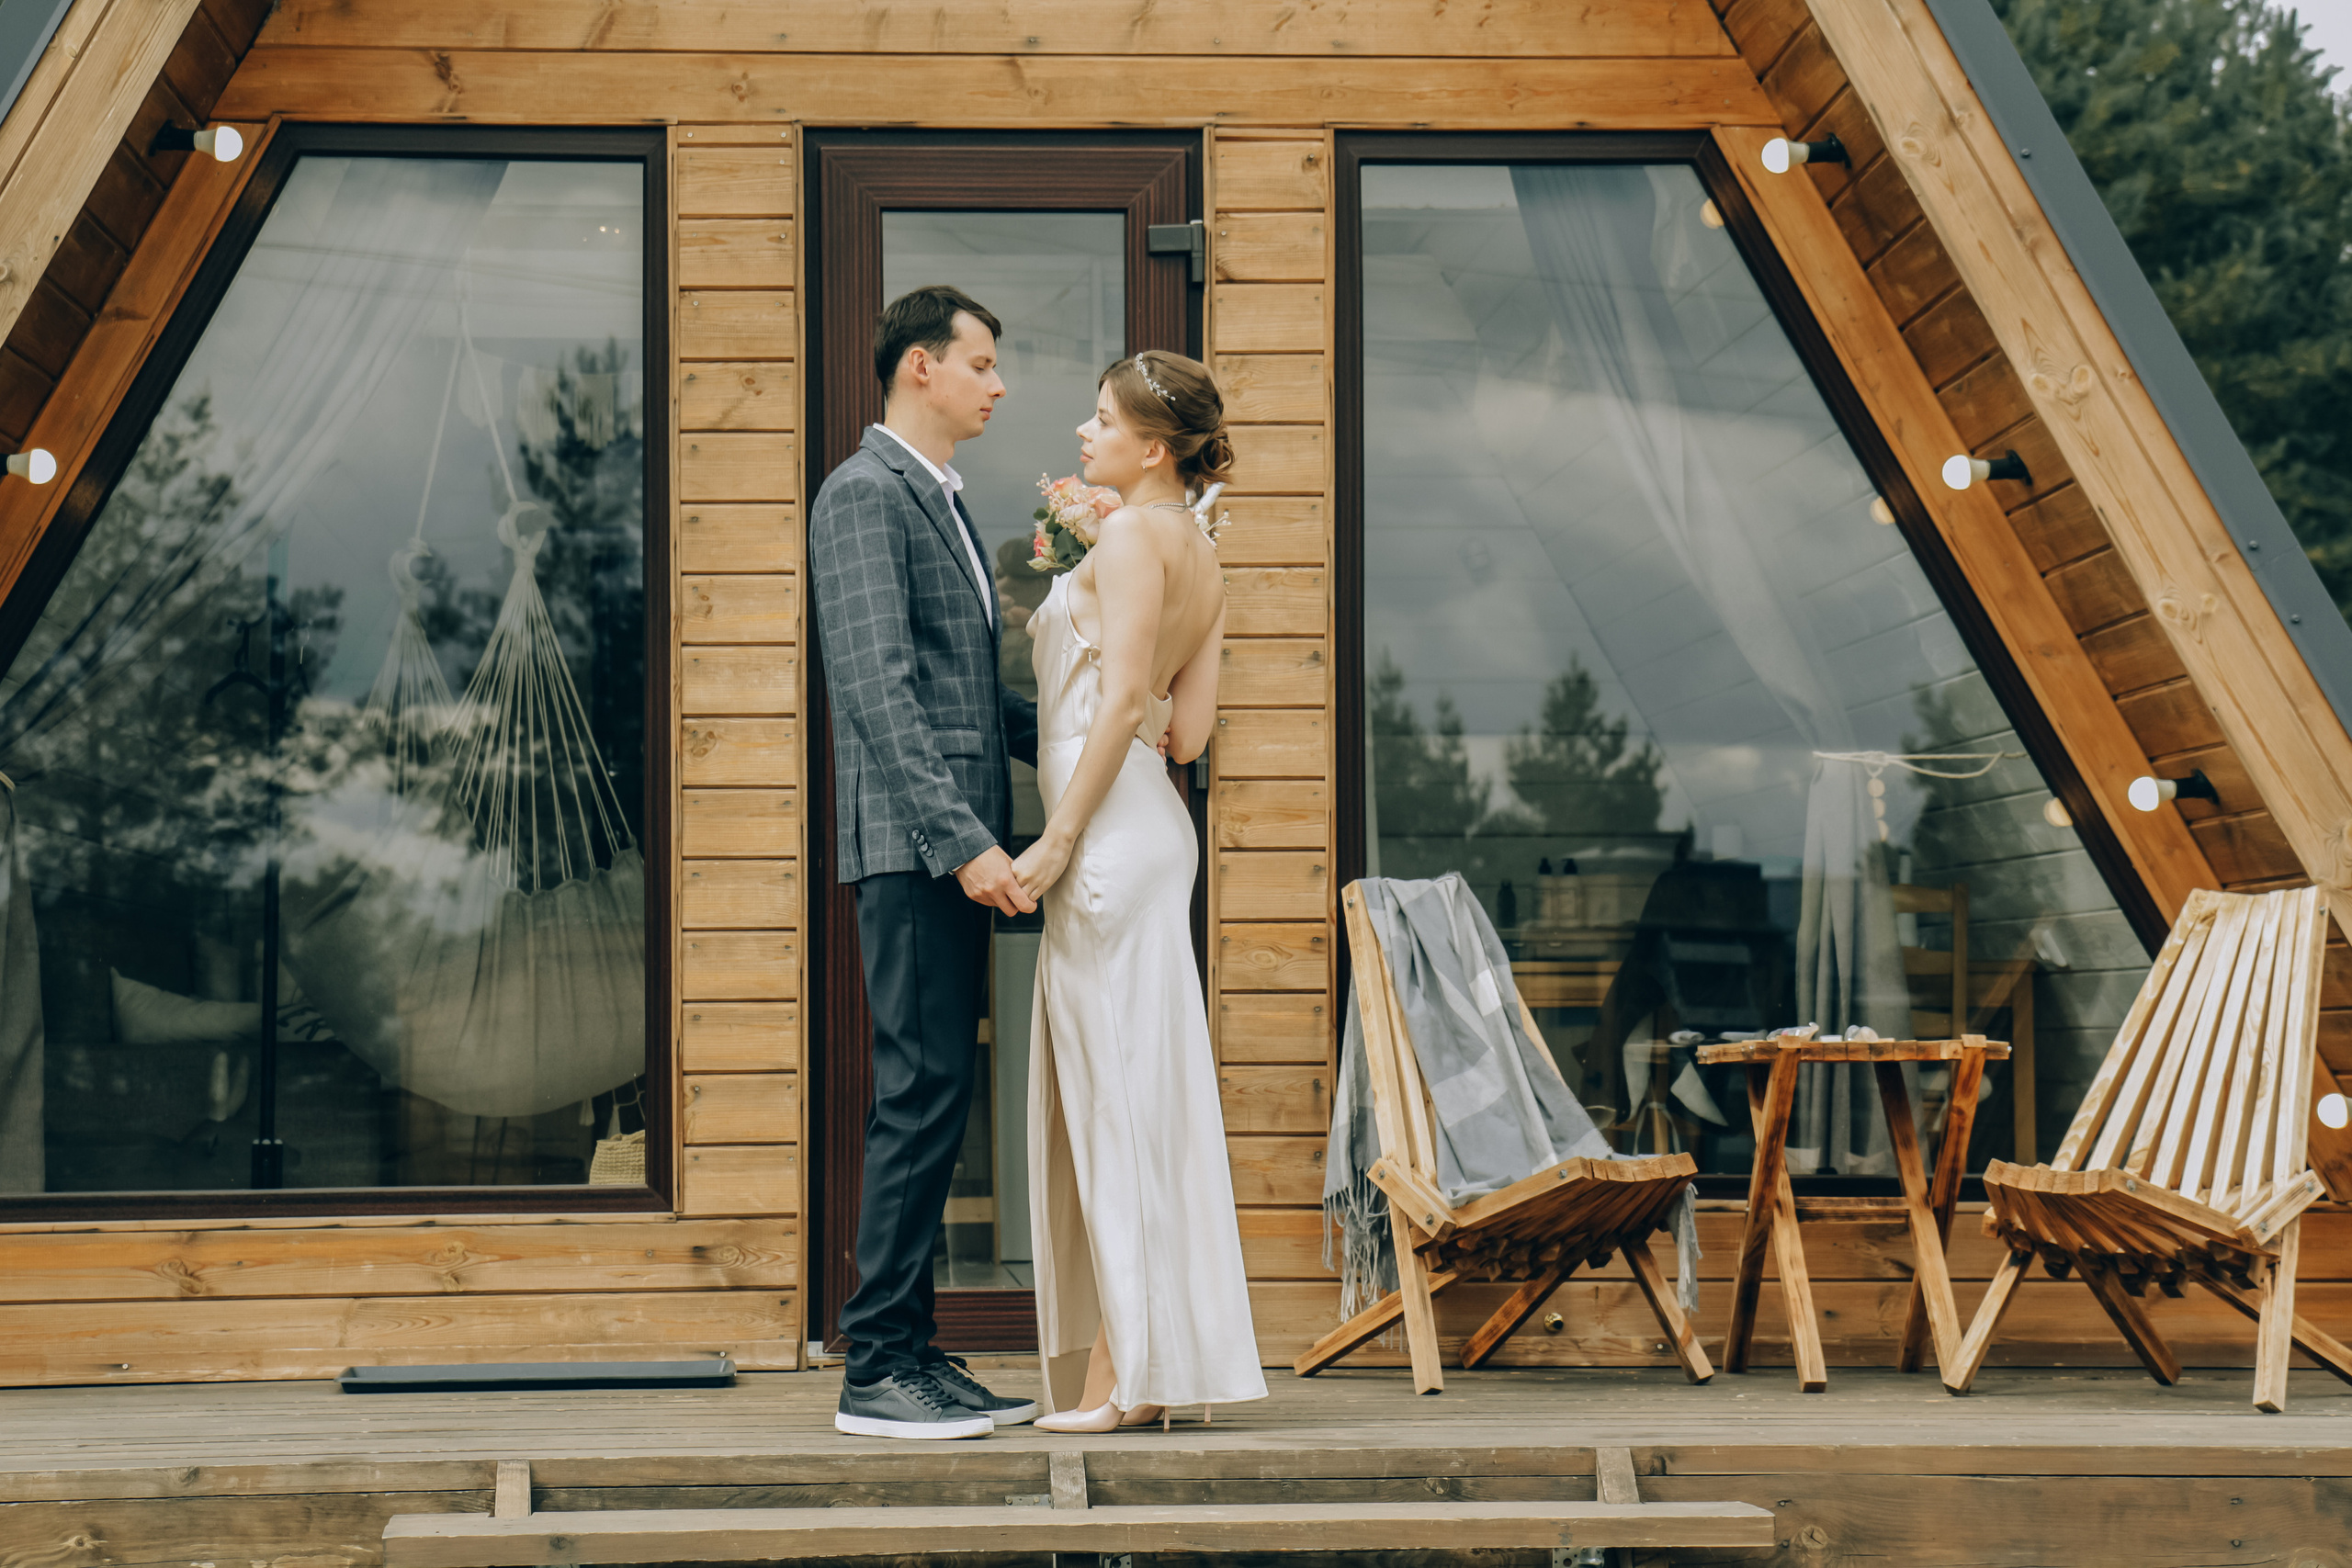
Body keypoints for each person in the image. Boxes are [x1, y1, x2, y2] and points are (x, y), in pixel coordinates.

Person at [1017, 350, 1269, 1432]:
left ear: (1151, 448)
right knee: (1147, 1099)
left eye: (1101, 420)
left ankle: (1127, 1377)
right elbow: (1191, 731)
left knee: (1116, 1103)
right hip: (1153, 825)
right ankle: (1162, 1363)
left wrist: (1052, 842)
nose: (1083, 432)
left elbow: (1126, 702)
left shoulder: (1125, 537)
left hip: (1106, 836)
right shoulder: (1201, 552)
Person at [809, 285, 1044, 1440]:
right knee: (917, 1097)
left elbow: (962, 693)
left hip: (943, 845)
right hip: (914, 851)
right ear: (918, 367)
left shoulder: (941, 498)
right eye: (982, 363)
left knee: (938, 1097)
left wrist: (1087, 739)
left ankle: (915, 1347)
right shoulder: (863, 494)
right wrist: (965, 846)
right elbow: (876, 695)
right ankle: (876, 1369)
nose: (997, 385)